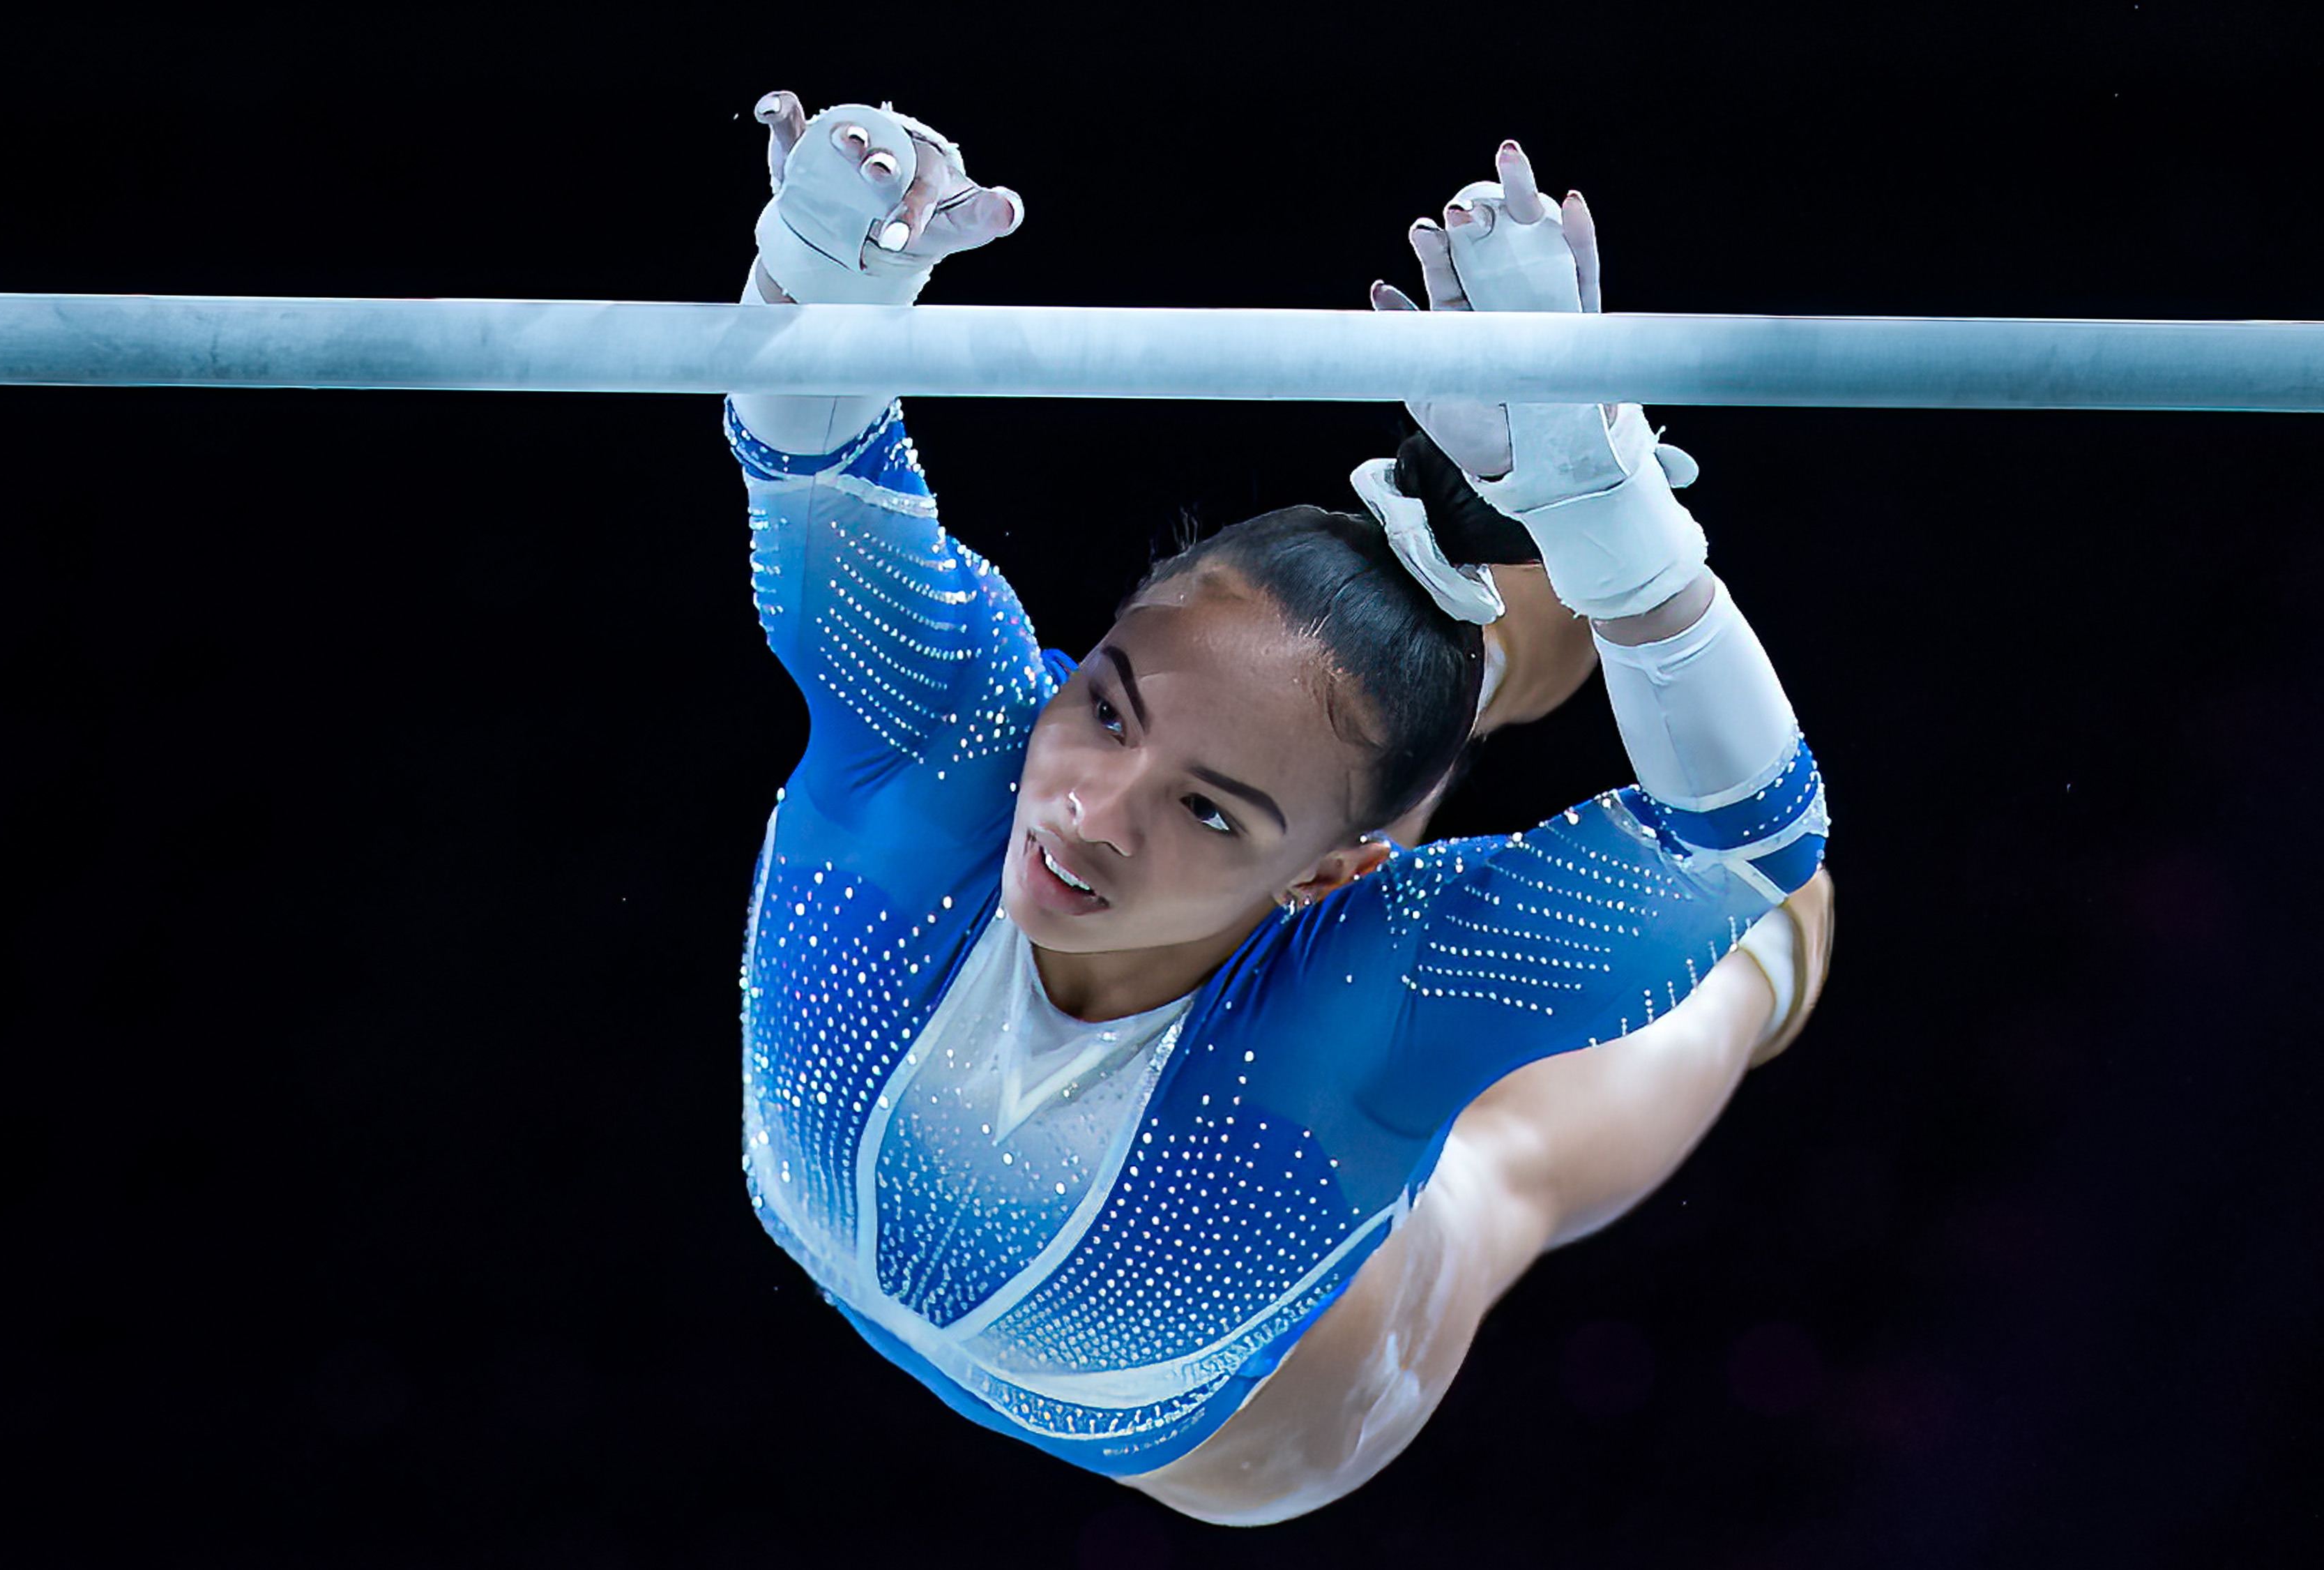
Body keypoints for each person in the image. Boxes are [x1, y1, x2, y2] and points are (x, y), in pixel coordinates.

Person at [728, 90, 1835, 1525]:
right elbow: (810, 453)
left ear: (1338, 883)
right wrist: (818, 275)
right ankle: (1482, 604)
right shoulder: (955, 733)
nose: (1084, 809)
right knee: (1342, 709)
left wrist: (1621, 531)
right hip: (1309, 863)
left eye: (1204, 811)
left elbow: (1746, 848)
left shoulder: (1364, 1005)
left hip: (1253, 1427)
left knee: (1533, 1139)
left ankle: (1519, 602)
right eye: (1109, 706)